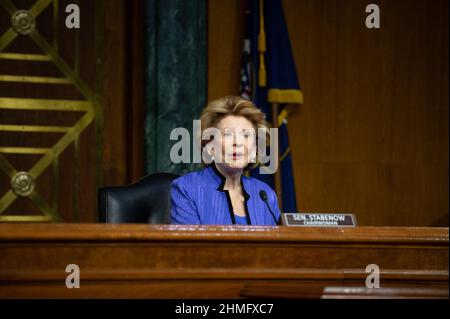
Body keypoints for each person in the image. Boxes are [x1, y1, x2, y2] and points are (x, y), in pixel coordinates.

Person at [170, 96, 281, 225]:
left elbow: (279, 244)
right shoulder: (187, 188)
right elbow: (186, 245)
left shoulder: (265, 194)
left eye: (246, 135)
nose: (237, 143)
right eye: (228, 134)